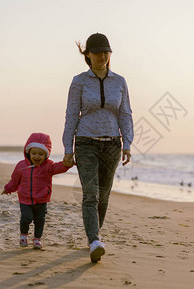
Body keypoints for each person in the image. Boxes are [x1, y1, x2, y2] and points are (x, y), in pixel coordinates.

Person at [62, 33, 134, 262]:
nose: (103, 56)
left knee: (104, 196)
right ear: (88, 55)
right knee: (90, 195)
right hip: (85, 143)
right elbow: (72, 114)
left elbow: (125, 113)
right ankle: (94, 239)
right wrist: (68, 148)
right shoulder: (79, 81)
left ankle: (95, 236)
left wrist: (128, 142)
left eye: (106, 52)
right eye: (98, 52)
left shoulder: (120, 81)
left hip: (112, 144)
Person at [2, 132, 71, 249]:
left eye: (40, 154)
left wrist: (67, 164)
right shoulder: (21, 166)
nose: (37, 157)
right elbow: (14, 180)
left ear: (46, 155)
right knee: (26, 218)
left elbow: (59, 167)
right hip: (24, 198)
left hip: (42, 198)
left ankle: (37, 239)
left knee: (40, 220)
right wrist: (8, 188)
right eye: (34, 153)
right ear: (28, 152)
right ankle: (24, 235)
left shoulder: (49, 166)